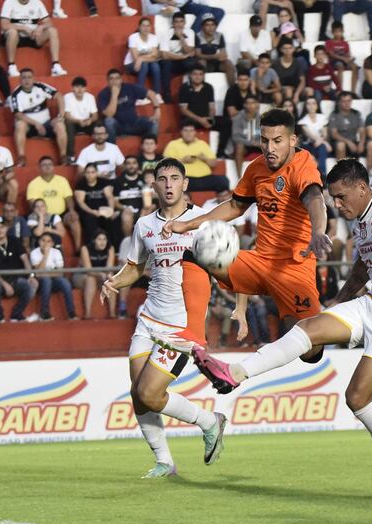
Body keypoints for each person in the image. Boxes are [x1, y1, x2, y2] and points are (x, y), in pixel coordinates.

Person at [191, 158, 372, 500]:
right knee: (310, 327)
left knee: (357, 398)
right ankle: (235, 372)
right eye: (332, 198)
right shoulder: (360, 222)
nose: (336, 204)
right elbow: (365, 266)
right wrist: (340, 299)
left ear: (362, 188)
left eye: (340, 196)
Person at [162, 109, 333, 358]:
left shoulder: (303, 166)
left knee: (311, 351)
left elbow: (315, 198)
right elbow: (235, 206)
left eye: (277, 141)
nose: (269, 148)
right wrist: (186, 225)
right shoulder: (257, 168)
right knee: (195, 254)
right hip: (260, 261)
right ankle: (194, 335)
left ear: (293, 140)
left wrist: (318, 231)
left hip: (295, 268)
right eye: (264, 140)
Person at [100, 157, 227, 478]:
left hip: (181, 324)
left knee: (149, 393)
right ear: (154, 185)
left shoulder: (204, 221)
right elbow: (134, 268)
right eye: (162, 179)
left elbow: (228, 263)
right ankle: (164, 462)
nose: (169, 184)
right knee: (138, 394)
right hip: (149, 319)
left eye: (175, 178)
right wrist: (114, 281)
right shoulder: (145, 225)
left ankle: (210, 421)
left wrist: (238, 306)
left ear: (185, 184)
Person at [0, 216, 38, 322]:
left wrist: (31, 276)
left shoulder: (14, 241)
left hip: (17, 279)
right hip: (0, 281)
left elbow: (25, 259)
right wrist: (5, 284)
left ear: (7, 228)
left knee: (32, 285)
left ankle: (16, 314)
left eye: (2, 227)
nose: (0, 230)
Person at [10, 69, 67, 167]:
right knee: (19, 124)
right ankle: (21, 157)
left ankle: (63, 156)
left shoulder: (40, 87)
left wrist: (60, 115)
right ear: (20, 80)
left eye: (29, 77)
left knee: (60, 124)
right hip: (30, 126)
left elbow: (59, 96)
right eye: (24, 78)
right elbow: (18, 114)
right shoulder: (16, 94)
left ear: (33, 79)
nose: (27, 80)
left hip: (46, 123)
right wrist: (36, 124)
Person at [0, 0, 67, 78]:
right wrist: (23, 28)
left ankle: (56, 65)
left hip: (32, 36)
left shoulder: (37, 2)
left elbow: (49, 22)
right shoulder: (9, 2)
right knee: (12, 32)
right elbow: (4, 25)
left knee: (52, 30)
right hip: (15, 37)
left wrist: (41, 27)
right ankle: (11, 67)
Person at [163, 121, 230, 197]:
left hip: (205, 178)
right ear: (181, 132)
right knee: (174, 184)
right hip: (186, 179)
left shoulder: (202, 144)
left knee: (223, 180)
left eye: (191, 131)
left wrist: (205, 159)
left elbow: (214, 164)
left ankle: (221, 204)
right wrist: (183, 160)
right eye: (186, 130)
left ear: (195, 132)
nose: (189, 133)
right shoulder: (173, 144)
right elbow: (166, 165)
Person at [26, 157, 80, 250]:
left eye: (50, 164)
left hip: (61, 214)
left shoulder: (62, 180)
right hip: (43, 216)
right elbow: (32, 204)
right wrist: (42, 215)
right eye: (44, 165)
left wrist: (71, 211)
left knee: (74, 220)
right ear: (39, 168)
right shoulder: (33, 184)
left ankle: (78, 249)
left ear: (53, 167)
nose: (47, 167)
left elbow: (68, 198)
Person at [98, 69, 161, 144]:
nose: (114, 81)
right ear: (107, 81)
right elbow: (109, 115)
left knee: (154, 123)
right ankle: (112, 150)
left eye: (117, 78)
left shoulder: (129, 88)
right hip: (118, 127)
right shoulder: (103, 94)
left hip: (134, 123)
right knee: (109, 121)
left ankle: (149, 150)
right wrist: (114, 96)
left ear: (121, 80)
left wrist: (157, 110)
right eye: (111, 79)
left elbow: (151, 94)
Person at [30, 232, 77, 320]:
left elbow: (60, 272)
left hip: (54, 280)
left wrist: (45, 273)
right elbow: (38, 273)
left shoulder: (56, 252)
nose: (45, 243)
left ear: (52, 244)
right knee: (46, 280)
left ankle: (71, 312)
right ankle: (44, 312)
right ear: (39, 242)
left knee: (65, 282)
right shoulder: (34, 253)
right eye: (43, 240)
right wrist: (46, 255)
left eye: (48, 241)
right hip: (40, 282)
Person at [158, 12, 196, 104]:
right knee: (166, 63)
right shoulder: (166, 33)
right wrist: (183, 56)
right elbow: (164, 55)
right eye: (176, 22)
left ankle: (193, 90)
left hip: (181, 61)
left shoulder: (190, 32)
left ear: (184, 22)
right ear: (173, 23)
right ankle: (166, 93)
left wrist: (181, 37)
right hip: (170, 62)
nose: (179, 24)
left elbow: (189, 51)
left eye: (181, 22)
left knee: (192, 63)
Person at [75, 230, 115, 319]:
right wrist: (100, 274)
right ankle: (87, 313)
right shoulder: (85, 248)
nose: (102, 242)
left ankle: (112, 313)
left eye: (104, 239)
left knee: (111, 277)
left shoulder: (110, 248)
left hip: (101, 276)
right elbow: (88, 270)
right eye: (99, 239)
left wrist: (105, 275)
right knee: (90, 279)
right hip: (82, 276)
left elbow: (109, 268)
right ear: (94, 240)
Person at [75, 162, 118, 243]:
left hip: (104, 209)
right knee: (90, 220)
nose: (90, 175)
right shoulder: (80, 184)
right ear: (84, 173)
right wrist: (93, 212)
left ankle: (113, 246)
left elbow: (110, 197)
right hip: (88, 211)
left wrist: (111, 210)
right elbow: (81, 202)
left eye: (93, 172)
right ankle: (92, 245)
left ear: (97, 173)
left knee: (113, 219)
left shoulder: (103, 182)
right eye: (88, 172)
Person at [114, 155, 153, 237]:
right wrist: (125, 208)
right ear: (124, 166)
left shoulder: (143, 179)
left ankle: (144, 241)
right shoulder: (118, 181)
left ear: (138, 165)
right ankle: (129, 242)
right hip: (126, 209)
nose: (131, 166)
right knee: (127, 214)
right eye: (128, 163)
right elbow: (115, 202)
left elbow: (153, 194)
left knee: (149, 208)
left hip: (143, 209)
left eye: (134, 163)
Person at [63, 76, 98, 163]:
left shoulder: (90, 97)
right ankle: (70, 156)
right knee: (68, 124)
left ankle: (98, 153)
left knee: (99, 125)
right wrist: (79, 121)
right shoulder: (67, 97)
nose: (80, 89)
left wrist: (90, 120)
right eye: (77, 87)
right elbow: (67, 116)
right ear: (72, 88)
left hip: (86, 123)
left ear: (85, 88)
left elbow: (95, 115)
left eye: (82, 87)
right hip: (74, 123)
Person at [125, 18, 163, 97]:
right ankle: (139, 95)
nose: (146, 28)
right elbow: (135, 58)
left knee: (155, 65)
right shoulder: (133, 37)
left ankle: (157, 93)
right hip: (131, 65)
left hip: (145, 64)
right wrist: (143, 58)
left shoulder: (154, 38)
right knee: (144, 64)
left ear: (151, 27)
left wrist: (141, 58)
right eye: (143, 26)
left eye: (148, 26)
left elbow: (155, 56)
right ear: (139, 27)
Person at [194, 14, 234, 86]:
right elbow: (198, 54)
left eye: (213, 25)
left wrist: (220, 56)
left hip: (216, 64)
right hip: (204, 63)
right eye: (207, 25)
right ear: (202, 27)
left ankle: (233, 88)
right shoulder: (198, 36)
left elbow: (224, 54)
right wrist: (215, 56)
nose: (210, 27)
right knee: (201, 62)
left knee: (228, 63)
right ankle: (202, 89)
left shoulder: (219, 35)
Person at [297, 96, 331, 177]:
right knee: (322, 146)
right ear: (306, 106)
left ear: (317, 105)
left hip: (318, 145)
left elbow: (325, 134)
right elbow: (311, 136)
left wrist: (322, 141)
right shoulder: (303, 121)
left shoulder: (322, 117)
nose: (311, 106)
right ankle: (321, 175)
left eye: (313, 103)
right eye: (308, 104)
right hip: (307, 145)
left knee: (322, 148)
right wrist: (326, 143)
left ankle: (322, 175)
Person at [328, 91, 365, 161]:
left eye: (349, 101)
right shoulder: (334, 114)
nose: (347, 103)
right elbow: (334, 134)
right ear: (339, 102)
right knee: (341, 145)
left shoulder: (356, 113)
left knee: (370, 145)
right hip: (338, 142)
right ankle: (341, 170)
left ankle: (368, 171)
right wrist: (348, 142)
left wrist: (361, 143)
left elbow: (362, 130)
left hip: (353, 141)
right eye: (344, 101)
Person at [178, 64, 216, 130]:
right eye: (195, 74)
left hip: (205, 118)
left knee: (226, 122)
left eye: (200, 74)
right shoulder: (184, 88)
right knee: (188, 123)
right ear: (190, 75)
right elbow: (184, 110)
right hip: (191, 119)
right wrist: (200, 119)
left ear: (204, 76)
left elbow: (212, 108)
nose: (198, 77)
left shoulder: (209, 87)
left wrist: (209, 119)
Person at [325, 21, 359, 94]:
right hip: (334, 61)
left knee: (355, 67)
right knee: (340, 66)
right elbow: (331, 54)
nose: (338, 33)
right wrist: (344, 59)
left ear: (343, 31)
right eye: (336, 32)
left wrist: (350, 58)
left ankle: (353, 91)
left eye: (340, 31)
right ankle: (340, 90)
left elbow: (347, 54)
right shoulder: (329, 42)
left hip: (345, 60)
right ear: (332, 32)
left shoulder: (345, 43)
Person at [232, 95, 261, 177]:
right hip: (245, 146)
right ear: (244, 105)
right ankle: (239, 178)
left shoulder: (263, 119)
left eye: (253, 103)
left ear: (257, 104)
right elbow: (235, 137)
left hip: (259, 144)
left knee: (271, 146)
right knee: (239, 146)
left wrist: (260, 143)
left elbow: (267, 135)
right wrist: (252, 143)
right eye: (248, 103)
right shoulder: (237, 118)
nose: (250, 105)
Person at [273, 39, 306, 104]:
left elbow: (302, 81)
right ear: (281, 50)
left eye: (290, 48)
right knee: (287, 91)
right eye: (285, 48)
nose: (287, 51)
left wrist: (297, 94)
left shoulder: (298, 62)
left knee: (308, 91)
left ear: (293, 49)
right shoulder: (275, 63)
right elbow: (272, 81)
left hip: (295, 88)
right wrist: (281, 88)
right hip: (280, 88)